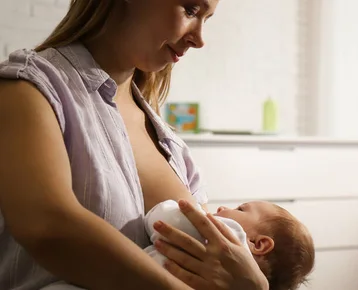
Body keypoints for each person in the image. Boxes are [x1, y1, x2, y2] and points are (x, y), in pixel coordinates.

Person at [0, 0, 270, 289]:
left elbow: (210, 263)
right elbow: (48, 229)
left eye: (207, 19)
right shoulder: (28, 88)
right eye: (190, 10)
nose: (199, 39)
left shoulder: (170, 144)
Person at [43, 199, 316, 290]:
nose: (223, 207)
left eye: (241, 209)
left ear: (259, 245)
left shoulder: (228, 237)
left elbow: (167, 217)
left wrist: (172, 207)